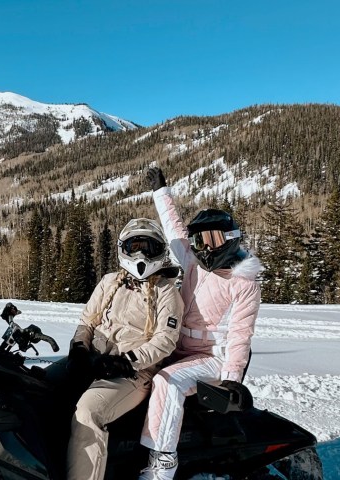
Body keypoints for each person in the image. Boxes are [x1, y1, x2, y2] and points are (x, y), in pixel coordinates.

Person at [137, 167, 263, 480]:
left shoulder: (242, 282)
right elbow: (174, 230)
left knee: (167, 381)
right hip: (177, 345)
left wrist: (232, 378)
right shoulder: (192, 260)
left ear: (231, 239)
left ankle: (164, 460)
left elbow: (240, 334)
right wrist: (160, 192)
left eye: (214, 238)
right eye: (201, 239)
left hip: (212, 357)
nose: (206, 246)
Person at [65, 218, 184, 480]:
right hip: (96, 359)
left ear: (160, 251)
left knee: (88, 413)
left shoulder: (166, 292)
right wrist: (79, 348)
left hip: (133, 372)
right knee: (36, 388)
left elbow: (165, 339)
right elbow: (88, 321)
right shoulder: (110, 282)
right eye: (134, 246)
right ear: (123, 249)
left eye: (148, 247)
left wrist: (128, 362)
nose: (141, 254)